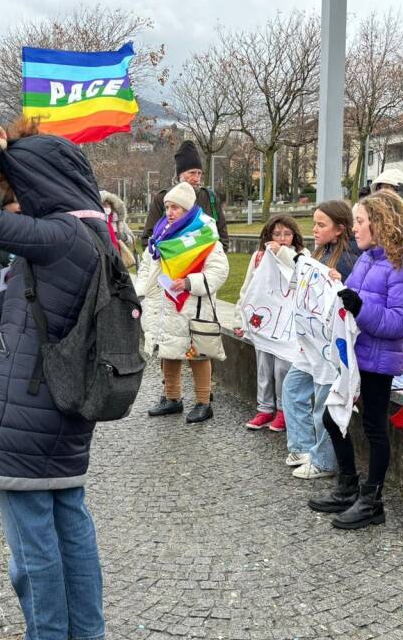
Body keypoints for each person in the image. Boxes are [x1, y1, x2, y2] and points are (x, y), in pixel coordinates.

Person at [0, 119, 112, 640]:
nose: (13, 202)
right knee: (69, 512)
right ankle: (87, 635)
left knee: (30, 520)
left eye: (16, 189)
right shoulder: (92, 230)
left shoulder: (60, 233)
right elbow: (39, 299)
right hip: (67, 395)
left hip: (32, 398)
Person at [311, 195, 403, 529]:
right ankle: (349, 486)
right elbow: (356, 297)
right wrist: (339, 287)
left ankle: (372, 500)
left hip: (378, 361)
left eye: (361, 221)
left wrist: (359, 307)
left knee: (375, 428)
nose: (356, 228)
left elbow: (401, 323)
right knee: (332, 418)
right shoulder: (368, 257)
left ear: (381, 224)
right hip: (354, 355)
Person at [137, 181, 229, 424]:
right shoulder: (159, 236)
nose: (169, 212)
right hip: (165, 304)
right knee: (168, 351)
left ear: (188, 210)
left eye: (176, 207)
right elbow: (147, 266)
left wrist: (189, 282)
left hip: (192, 306)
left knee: (197, 353)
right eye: (167, 206)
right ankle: (172, 398)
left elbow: (219, 271)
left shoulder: (206, 237)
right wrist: (143, 291)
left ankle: (203, 402)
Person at [284, 200, 360, 479]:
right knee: (292, 389)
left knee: (323, 402)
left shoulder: (348, 259)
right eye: (314, 223)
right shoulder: (321, 251)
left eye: (321, 224)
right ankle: (303, 447)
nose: (314, 229)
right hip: (312, 344)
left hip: (330, 346)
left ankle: (324, 461)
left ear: (340, 229)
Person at [233, 215, 305, 432]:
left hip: (288, 324)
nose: (282, 239)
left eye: (286, 234)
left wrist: (280, 252)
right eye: (276, 234)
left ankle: (284, 410)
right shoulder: (258, 257)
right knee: (264, 367)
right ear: (268, 235)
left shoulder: (302, 256)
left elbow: (297, 271)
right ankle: (264, 408)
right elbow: (248, 289)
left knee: (283, 367)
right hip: (264, 321)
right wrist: (239, 318)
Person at [142, 140, 229, 250]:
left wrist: (216, 258)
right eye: (192, 173)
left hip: (206, 263)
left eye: (199, 173)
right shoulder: (162, 198)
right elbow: (148, 238)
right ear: (180, 175)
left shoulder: (209, 197)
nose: (196, 178)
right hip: (172, 262)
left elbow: (222, 234)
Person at [101, 190, 136, 268]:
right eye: (103, 205)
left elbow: (132, 240)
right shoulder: (96, 222)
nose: (105, 207)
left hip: (119, 260)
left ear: (112, 206)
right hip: (103, 261)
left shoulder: (118, 221)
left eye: (107, 205)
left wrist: (123, 237)